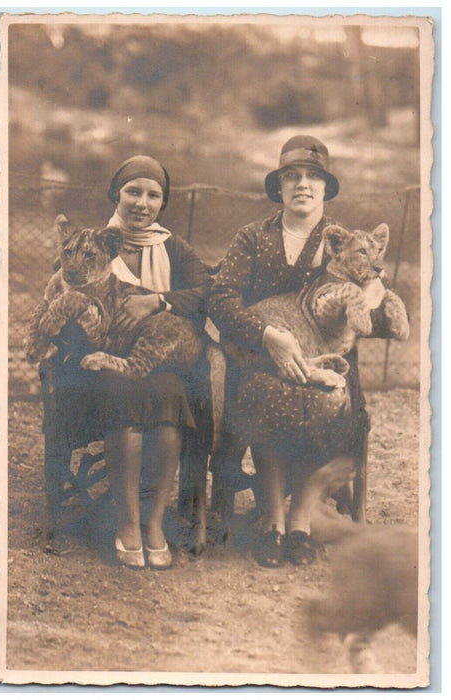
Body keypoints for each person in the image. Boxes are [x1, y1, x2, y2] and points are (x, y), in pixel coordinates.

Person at [209, 135, 380, 568]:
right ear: (279, 187)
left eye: (313, 177)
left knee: (328, 401)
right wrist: (268, 334)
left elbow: (372, 291)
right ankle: (272, 519)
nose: (302, 184)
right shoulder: (252, 237)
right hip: (262, 354)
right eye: (291, 176)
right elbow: (221, 299)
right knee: (270, 393)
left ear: (325, 187)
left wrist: (373, 295)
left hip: (328, 356)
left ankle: (301, 518)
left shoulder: (344, 240)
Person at [58, 155, 211, 570]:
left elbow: (204, 293)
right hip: (99, 359)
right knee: (121, 387)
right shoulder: (89, 240)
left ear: (163, 203)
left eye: (153, 195)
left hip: (158, 361)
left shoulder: (173, 247)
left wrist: (156, 301)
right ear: (117, 194)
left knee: (169, 395)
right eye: (133, 191)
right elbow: (61, 294)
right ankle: (127, 523)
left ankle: (154, 522)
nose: (142, 203)